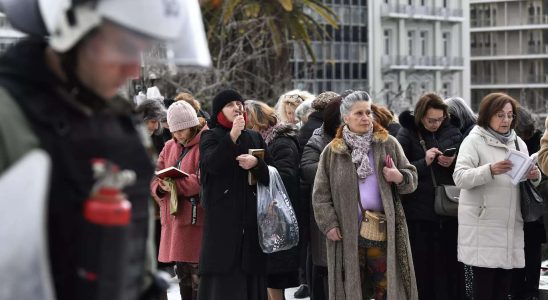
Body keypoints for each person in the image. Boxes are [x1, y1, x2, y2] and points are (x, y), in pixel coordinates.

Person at [0, 0, 210, 299]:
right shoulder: (9, 119)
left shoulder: (120, 124)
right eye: (123, 47)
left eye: (140, 49)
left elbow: (135, 255)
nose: (133, 67)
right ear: (71, 30)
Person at [313, 91, 419, 300]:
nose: (365, 117)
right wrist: (329, 224)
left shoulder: (387, 143)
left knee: (385, 287)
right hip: (347, 233)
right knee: (352, 287)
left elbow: (412, 179)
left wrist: (399, 177)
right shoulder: (332, 152)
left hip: (382, 231)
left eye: (368, 112)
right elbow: (320, 194)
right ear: (346, 118)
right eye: (359, 113)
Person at [453, 92, 540, 300]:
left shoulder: (518, 142)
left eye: (510, 115)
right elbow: (460, 177)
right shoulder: (473, 140)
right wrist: (490, 170)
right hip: (483, 225)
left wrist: (533, 176)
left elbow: (523, 180)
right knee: (484, 290)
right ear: (487, 115)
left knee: (503, 290)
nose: (506, 120)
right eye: (500, 115)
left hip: (510, 225)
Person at [198, 89, 270, 300]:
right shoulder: (210, 136)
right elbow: (212, 165)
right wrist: (232, 137)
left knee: (251, 278)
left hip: (251, 225)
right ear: (219, 111)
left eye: (239, 103)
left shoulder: (255, 137)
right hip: (222, 227)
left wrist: (258, 164)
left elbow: (274, 173)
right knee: (222, 284)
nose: (237, 107)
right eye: (230, 104)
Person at [396, 93, 463, 300]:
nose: (435, 124)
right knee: (423, 267)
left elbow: (467, 165)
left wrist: (452, 160)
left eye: (439, 119)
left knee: (451, 266)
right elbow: (400, 171)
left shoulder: (453, 130)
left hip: (449, 210)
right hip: (419, 211)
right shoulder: (407, 133)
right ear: (420, 116)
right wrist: (424, 162)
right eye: (430, 120)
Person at [245, 100, 301, 300]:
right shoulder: (266, 140)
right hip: (268, 218)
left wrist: (259, 166)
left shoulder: (281, 141)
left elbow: (286, 176)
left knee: (275, 279)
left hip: (279, 218)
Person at [151, 101, 207, 300]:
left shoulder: (205, 142)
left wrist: (174, 184)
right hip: (174, 220)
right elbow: (155, 176)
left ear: (192, 124)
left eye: (182, 130)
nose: (178, 135)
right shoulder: (169, 146)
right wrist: (160, 187)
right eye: (174, 131)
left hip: (194, 220)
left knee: (198, 277)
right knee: (183, 276)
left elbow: (203, 179)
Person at [294, 90, 339, 299]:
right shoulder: (317, 137)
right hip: (320, 206)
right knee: (323, 264)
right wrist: (339, 169)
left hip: (347, 214)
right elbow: (307, 168)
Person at [511, 107, 546, 300]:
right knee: (521, 254)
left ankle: (529, 292)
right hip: (520, 206)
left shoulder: (538, 142)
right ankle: (521, 291)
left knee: (531, 252)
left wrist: (534, 173)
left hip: (532, 206)